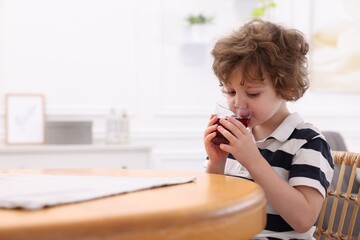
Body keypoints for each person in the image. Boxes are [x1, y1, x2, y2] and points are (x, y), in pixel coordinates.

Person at [203, 19, 334, 240]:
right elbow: (211, 210)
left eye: (253, 93)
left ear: (287, 88)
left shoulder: (308, 142)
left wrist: (253, 161)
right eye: (230, 91)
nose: (237, 104)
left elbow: (303, 220)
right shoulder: (234, 138)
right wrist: (216, 162)